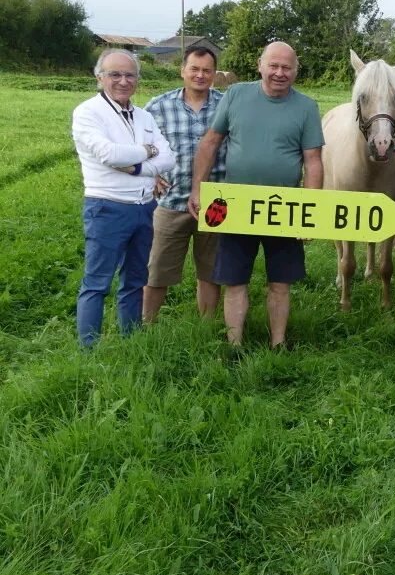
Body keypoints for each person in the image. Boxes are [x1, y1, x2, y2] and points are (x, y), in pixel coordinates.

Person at [188, 42, 324, 349]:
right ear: (259, 65)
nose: (279, 73)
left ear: (295, 71)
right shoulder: (236, 95)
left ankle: (278, 343)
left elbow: (313, 160)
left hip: (285, 207)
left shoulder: (306, 107)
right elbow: (210, 143)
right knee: (234, 280)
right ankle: (234, 345)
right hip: (235, 204)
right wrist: (198, 188)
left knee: (281, 282)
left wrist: (310, 210)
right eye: (273, 66)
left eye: (286, 67)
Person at [71, 49, 175, 347]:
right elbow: (110, 154)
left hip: (144, 208)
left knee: (135, 281)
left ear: (137, 79)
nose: (123, 81)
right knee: (97, 283)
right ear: (99, 77)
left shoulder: (143, 116)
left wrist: (139, 165)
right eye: (114, 74)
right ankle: (88, 350)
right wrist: (149, 150)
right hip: (107, 207)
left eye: (130, 75)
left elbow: (169, 158)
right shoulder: (88, 112)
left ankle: (131, 341)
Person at [143, 44, 225, 322]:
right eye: (194, 69)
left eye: (206, 70)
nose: (200, 75)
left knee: (211, 271)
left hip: (215, 202)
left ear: (215, 74)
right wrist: (150, 174)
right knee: (157, 271)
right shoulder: (158, 106)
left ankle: (207, 325)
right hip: (171, 200)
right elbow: (139, 145)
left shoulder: (226, 105)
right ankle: (146, 324)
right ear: (183, 71)